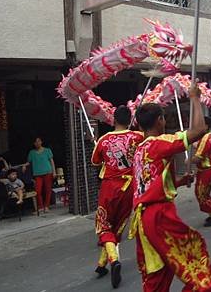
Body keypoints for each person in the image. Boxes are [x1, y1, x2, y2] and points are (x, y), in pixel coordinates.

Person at [130, 83, 211, 292]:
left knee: (158, 276)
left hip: (144, 219)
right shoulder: (159, 143)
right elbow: (198, 130)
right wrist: (195, 98)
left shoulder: (139, 151)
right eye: (163, 118)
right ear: (160, 120)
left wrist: (176, 182)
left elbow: (147, 183)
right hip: (159, 215)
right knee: (197, 268)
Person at [91, 105, 145, 288]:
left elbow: (95, 161)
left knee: (104, 225)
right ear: (130, 120)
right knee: (118, 224)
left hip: (109, 187)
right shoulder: (139, 137)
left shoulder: (104, 139)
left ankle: (114, 260)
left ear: (113, 120)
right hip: (129, 187)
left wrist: (98, 144)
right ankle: (101, 265)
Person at [193, 116, 211, 227]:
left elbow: (199, 157)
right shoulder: (207, 137)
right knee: (205, 193)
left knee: (201, 194)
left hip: (207, 170)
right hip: (207, 170)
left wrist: (189, 161)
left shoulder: (206, 138)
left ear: (206, 126)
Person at [23, 137, 56, 214]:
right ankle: (40, 207)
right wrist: (24, 165)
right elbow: (29, 162)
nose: (37, 143)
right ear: (33, 144)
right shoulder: (32, 152)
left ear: (41, 142)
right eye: (35, 142)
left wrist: (54, 172)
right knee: (38, 190)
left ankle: (46, 206)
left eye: (38, 141)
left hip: (48, 172)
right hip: (38, 174)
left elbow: (52, 161)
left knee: (48, 190)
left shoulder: (47, 150)